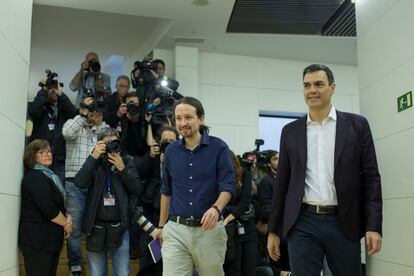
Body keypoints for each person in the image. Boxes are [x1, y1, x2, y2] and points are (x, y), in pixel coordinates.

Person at [267, 64, 383, 276]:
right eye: (307, 85)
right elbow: (282, 183)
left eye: (319, 84)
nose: (312, 90)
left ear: (332, 87)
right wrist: (273, 230)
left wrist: (373, 225)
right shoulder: (290, 132)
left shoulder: (357, 125)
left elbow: (371, 178)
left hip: (343, 221)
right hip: (302, 221)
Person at [154, 96, 236, 276]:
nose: (183, 123)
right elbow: (166, 191)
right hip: (176, 230)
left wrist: (216, 208)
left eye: (188, 117)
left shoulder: (219, 147)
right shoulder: (171, 151)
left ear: (201, 119)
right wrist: (161, 227)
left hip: (209, 231)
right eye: (178, 118)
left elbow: (228, 185)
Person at [74, 127, 142, 276]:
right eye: (106, 143)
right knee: (97, 273)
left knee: (122, 272)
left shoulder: (126, 161)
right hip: (95, 227)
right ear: (99, 144)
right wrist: (94, 157)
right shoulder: (94, 161)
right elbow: (80, 182)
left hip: (120, 226)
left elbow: (137, 189)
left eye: (114, 142)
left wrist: (122, 168)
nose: (111, 146)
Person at [62, 98, 109, 276]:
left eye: (94, 111)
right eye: (89, 111)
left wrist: (99, 122)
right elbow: (67, 133)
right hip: (74, 182)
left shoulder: (102, 128)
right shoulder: (74, 123)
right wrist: (82, 114)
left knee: (95, 224)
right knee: (74, 228)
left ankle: (95, 263)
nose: (91, 114)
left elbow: (111, 139)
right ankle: (75, 264)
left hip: (96, 182)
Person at [19, 139, 73, 276]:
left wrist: (68, 216)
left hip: (50, 241)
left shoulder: (50, 176)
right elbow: (48, 207)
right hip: (37, 242)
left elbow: (59, 204)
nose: (48, 154)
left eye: (49, 151)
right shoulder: (34, 177)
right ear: (32, 156)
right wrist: (66, 223)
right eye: (42, 152)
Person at [134, 125, 179, 273]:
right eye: (165, 141)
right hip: (150, 211)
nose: (168, 144)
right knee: (148, 255)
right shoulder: (151, 156)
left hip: (173, 214)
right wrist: (151, 156)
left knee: (171, 257)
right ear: (158, 142)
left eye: (172, 141)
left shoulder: (181, 160)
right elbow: (138, 174)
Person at [27, 75, 77, 182]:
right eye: (50, 88)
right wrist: (44, 90)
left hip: (60, 159)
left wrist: (61, 95)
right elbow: (34, 111)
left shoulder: (64, 107)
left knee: (59, 192)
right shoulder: (40, 106)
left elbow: (74, 115)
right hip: (40, 156)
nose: (53, 90)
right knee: (41, 187)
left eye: (56, 87)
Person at [223, 151, 257, 276]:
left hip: (247, 226)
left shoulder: (245, 175)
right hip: (230, 231)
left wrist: (228, 218)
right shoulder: (219, 177)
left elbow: (246, 201)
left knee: (249, 270)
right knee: (233, 270)